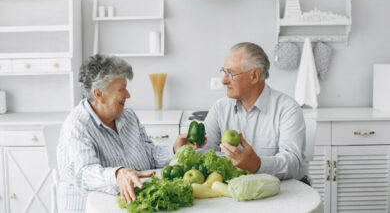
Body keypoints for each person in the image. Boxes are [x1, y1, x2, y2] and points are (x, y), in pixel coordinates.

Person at [57, 54, 200, 213]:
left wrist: (174, 150)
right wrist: (117, 174)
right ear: (99, 94)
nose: (128, 95)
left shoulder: (128, 116)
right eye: (121, 89)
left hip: (129, 206)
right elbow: (83, 173)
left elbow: (149, 155)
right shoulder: (77, 126)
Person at [202, 42, 306, 181]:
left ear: (254, 76)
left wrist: (257, 165)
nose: (224, 80)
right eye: (224, 72)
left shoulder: (287, 109)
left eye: (231, 73)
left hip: (280, 193)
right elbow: (203, 152)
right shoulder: (219, 108)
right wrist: (186, 149)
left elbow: (293, 164)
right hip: (232, 193)